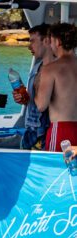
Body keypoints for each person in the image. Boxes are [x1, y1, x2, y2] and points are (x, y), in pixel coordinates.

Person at [34, 22, 77, 152]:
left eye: (51, 41)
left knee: (55, 170)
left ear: (57, 41)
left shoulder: (51, 69)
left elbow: (41, 105)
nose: (51, 45)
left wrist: (36, 86)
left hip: (61, 131)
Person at [14, 23, 52, 150]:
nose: (29, 46)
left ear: (46, 41)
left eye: (33, 41)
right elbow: (35, 101)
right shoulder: (36, 68)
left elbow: (46, 104)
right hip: (30, 131)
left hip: (44, 134)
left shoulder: (56, 71)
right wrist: (25, 98)